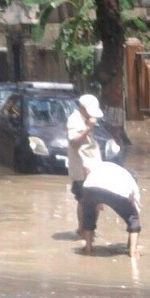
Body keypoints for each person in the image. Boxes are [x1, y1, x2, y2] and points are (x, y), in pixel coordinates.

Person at [81, 160, 142, 258]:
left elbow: (86, 168)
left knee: (89, 215)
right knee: (133, 219)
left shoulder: (111, 167)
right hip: (114, 190)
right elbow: (136, 215)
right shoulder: (131, 182)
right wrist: (132, 239)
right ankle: (133, 252)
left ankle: (88, 247)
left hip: (90, 186)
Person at [66, 93, 103, 235]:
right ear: (83, 108)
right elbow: (74, 142)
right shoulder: (74, 120)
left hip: (92, 166)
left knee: (96, 200)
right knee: (83, 200)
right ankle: (83, 229)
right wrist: (88, 128)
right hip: (82, 168)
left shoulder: (87, 118)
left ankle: (90, 229)